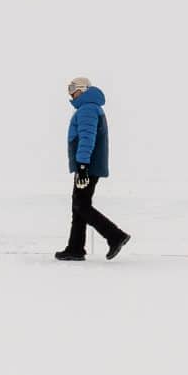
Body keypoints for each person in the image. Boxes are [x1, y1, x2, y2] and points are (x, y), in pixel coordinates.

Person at [55, 76, 129, 261]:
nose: (70, 92)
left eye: (73, 88)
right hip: (88, 165)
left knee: (81, 205)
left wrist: (82, 166)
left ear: (83, 89)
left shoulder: (87, 108)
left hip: (87, 166)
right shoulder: (90, 108)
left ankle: (115, 236)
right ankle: (75, 248)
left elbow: (87, 139)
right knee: (79, 206)